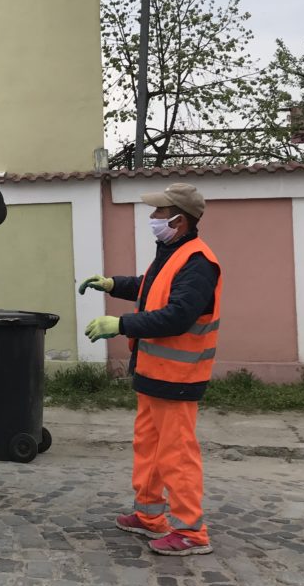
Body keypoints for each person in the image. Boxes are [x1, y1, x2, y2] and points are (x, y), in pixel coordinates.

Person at [79, 182, 222, 556]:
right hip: (154, 373)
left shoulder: (198, 262)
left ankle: (191, 532)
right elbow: (149, 288)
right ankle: (149, 515)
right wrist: (113, 284)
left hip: (178, 377)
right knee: (149, 447)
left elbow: (178, 315)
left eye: (160, 212)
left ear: (179, 219)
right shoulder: (171, 253)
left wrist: (121, 324)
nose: (153, 218)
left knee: (176, 453)